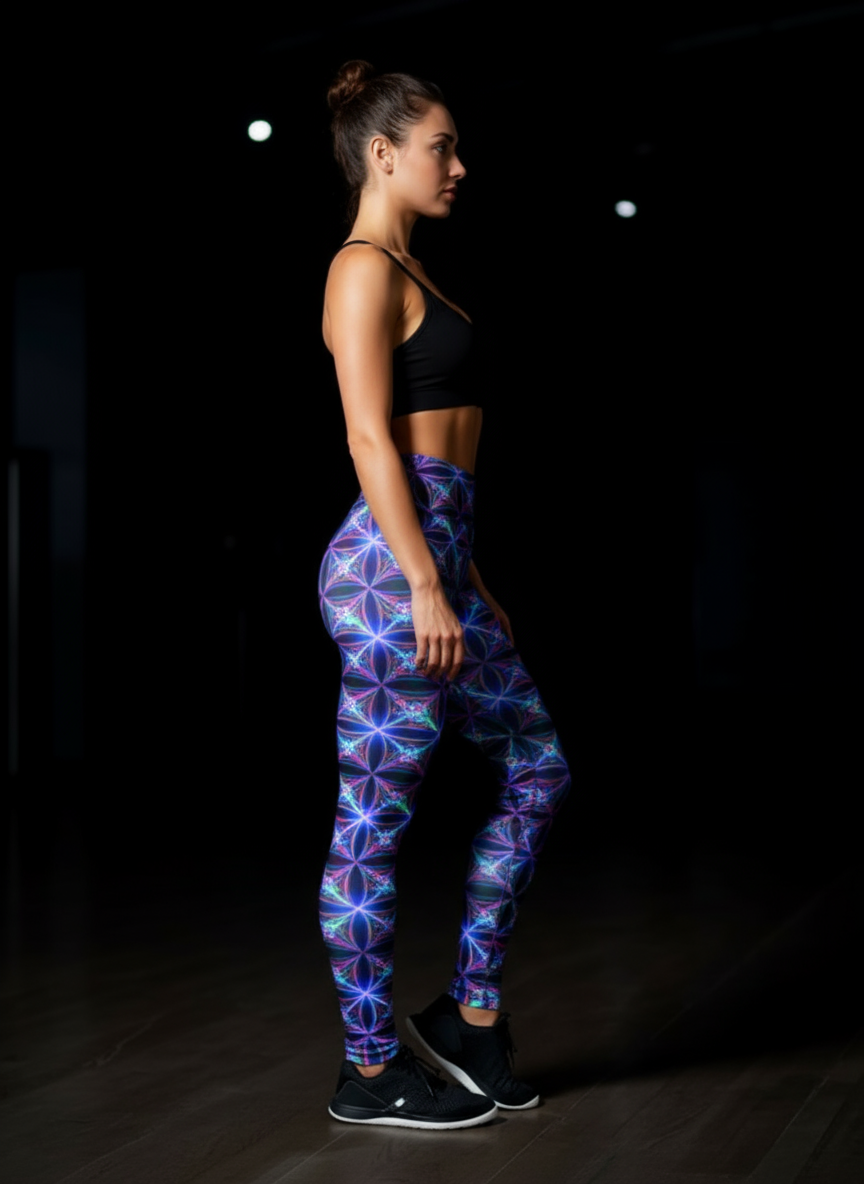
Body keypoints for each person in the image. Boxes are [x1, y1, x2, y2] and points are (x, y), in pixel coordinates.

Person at [318, 60, 571, 1130]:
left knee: (538, 766)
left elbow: (441, 454)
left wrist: (468, 578)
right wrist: (426, 578)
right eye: (440, 147)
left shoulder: (414, 270)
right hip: (389, 575)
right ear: (382, 152)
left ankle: (469, 1015)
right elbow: (373, 437)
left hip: (437, 566)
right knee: (373, 826)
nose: (458, 166)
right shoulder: (362, 268)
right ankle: (369, 1068)